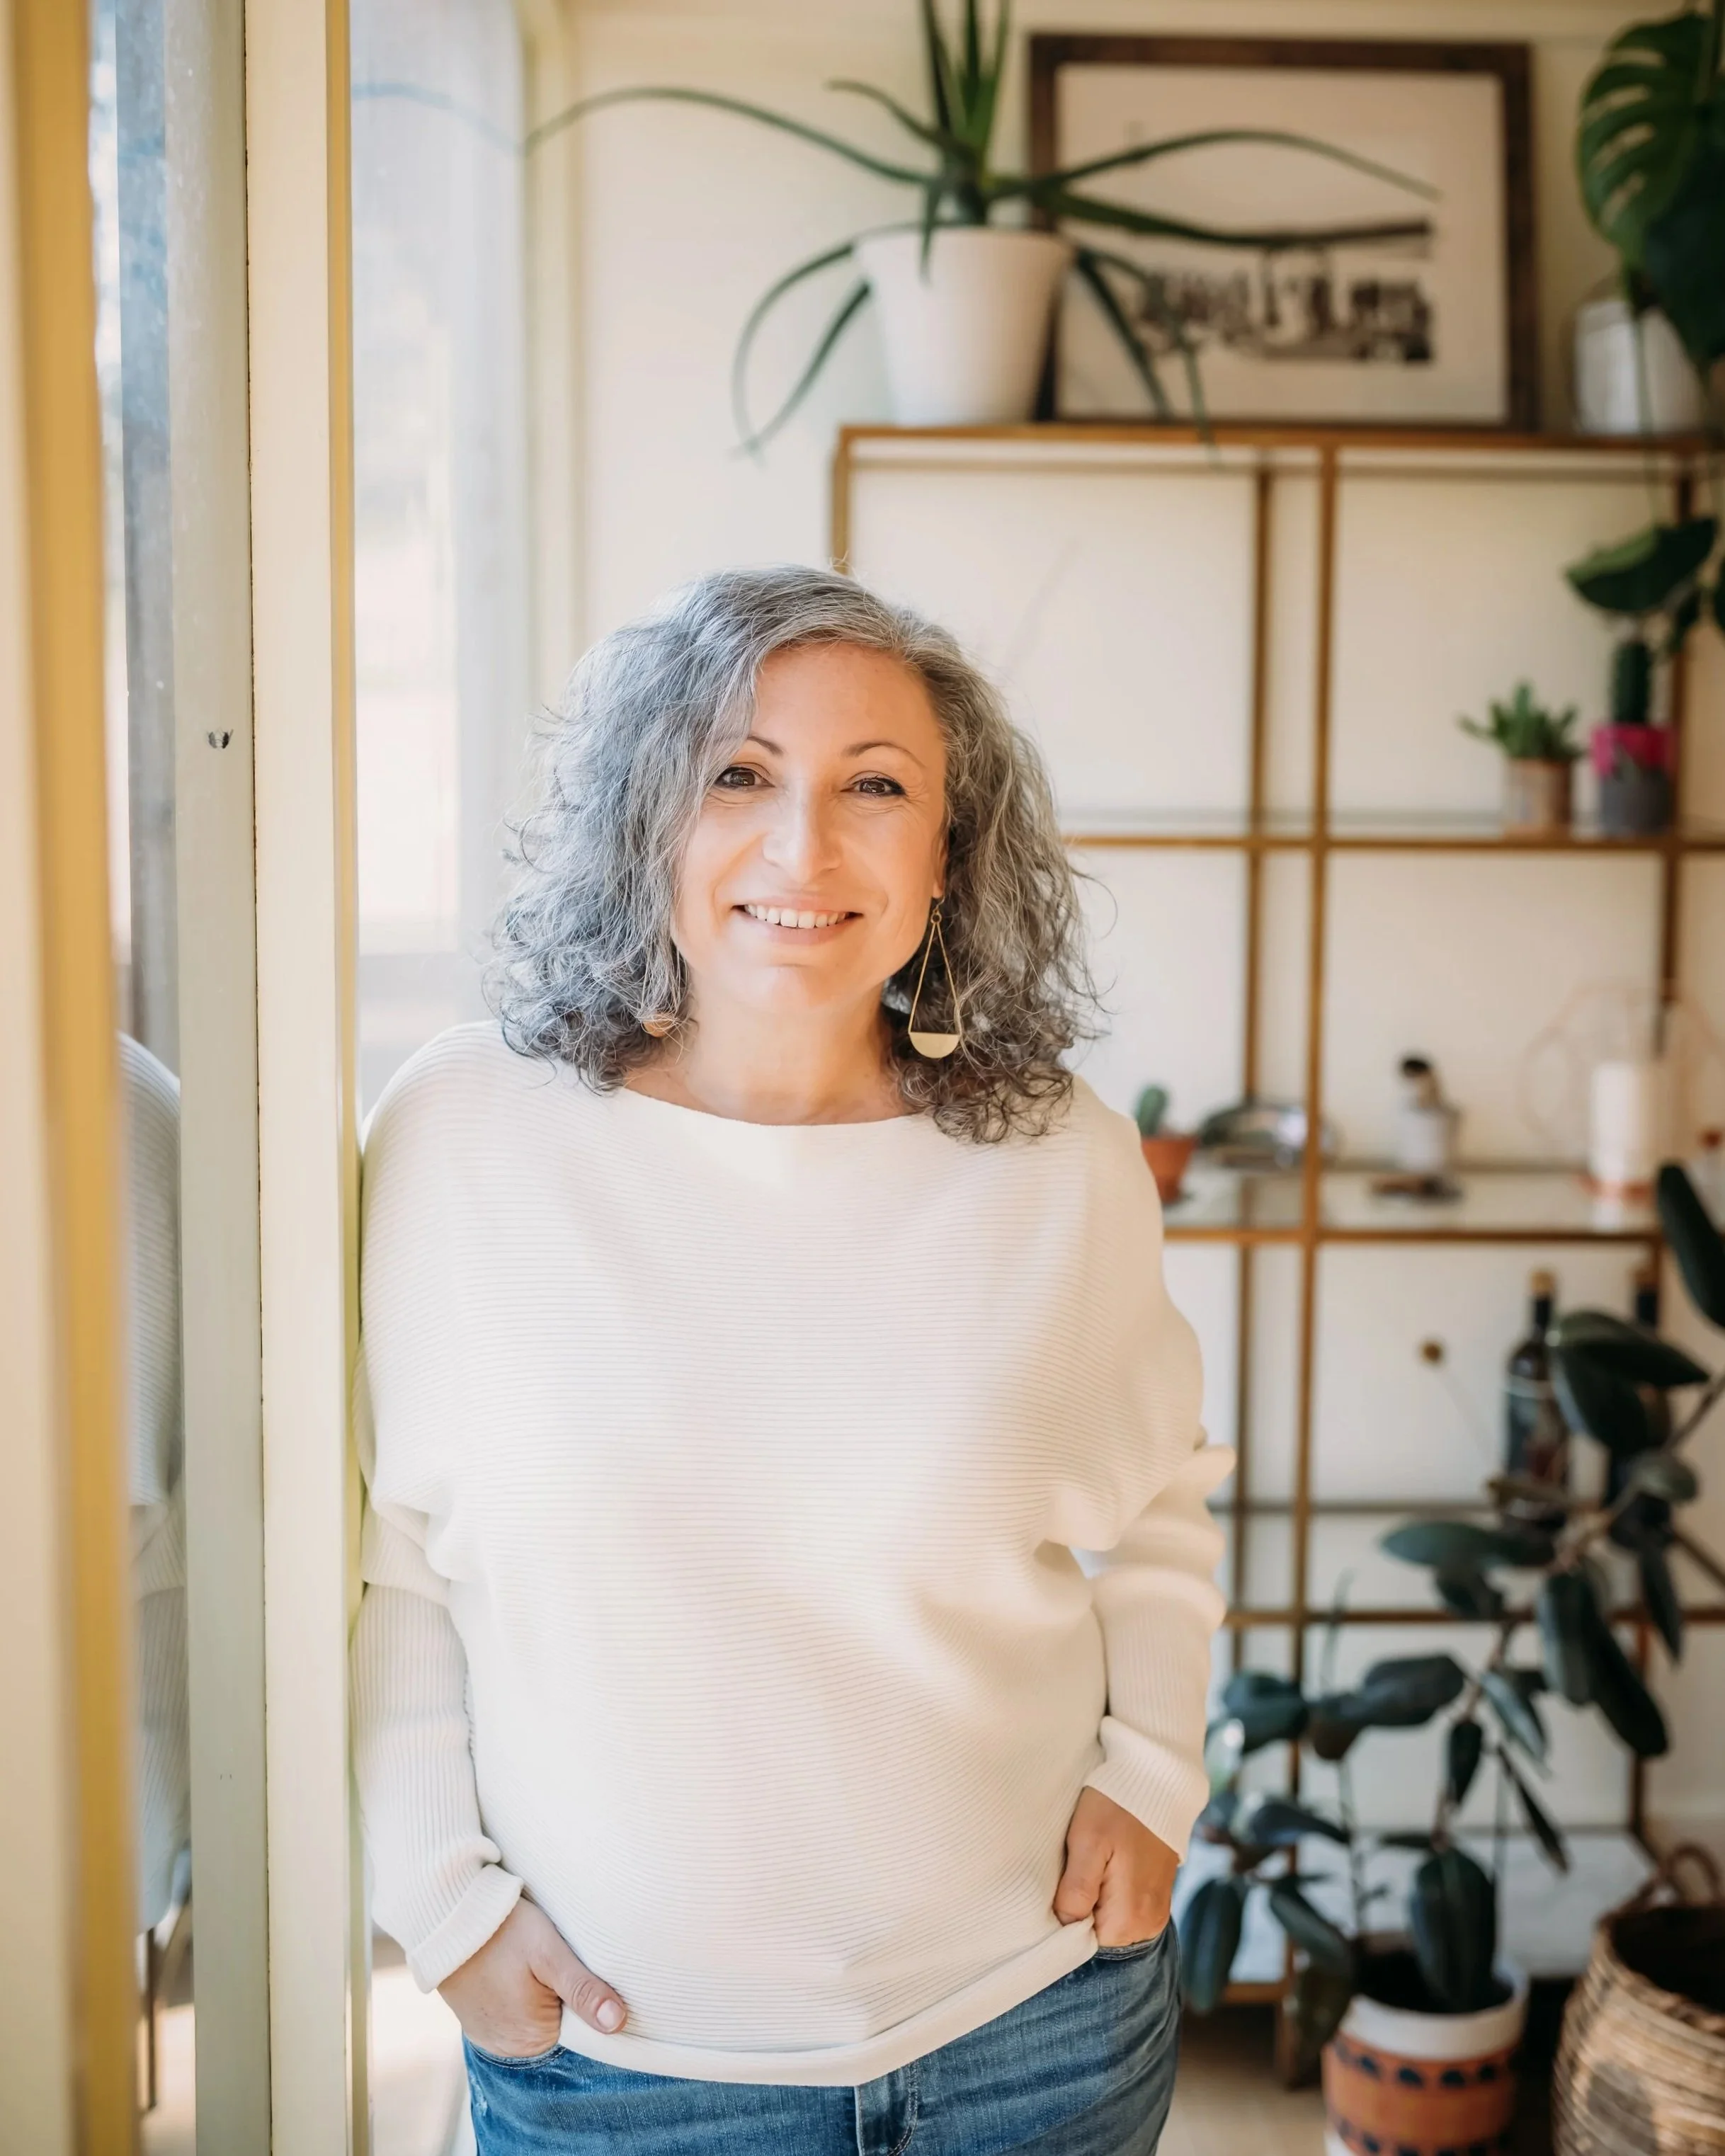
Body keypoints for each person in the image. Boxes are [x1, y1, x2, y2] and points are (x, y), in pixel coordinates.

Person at [353, 566, 1234, 2155]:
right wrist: (440, 1906)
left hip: (1033, 2034)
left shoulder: (1058, 1157)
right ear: (649, 818)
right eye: (738, 775)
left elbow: (1160, 1494)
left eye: (875, 787)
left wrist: (1156, 1776)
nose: (802, 847)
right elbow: (391, 1555)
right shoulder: (462, 1131)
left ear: (950, 850)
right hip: (627, 2069)